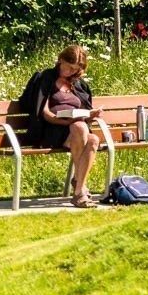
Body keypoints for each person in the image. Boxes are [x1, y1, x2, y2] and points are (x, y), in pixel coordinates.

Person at [18, 44, 102, 206]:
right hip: (51, 130)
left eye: (75, 69)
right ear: (61, 60)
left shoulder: (78, 84)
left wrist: (91, 115)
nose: (71, 72)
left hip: (76, 132)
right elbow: (45, 114)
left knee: (93, 140)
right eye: (69, 67)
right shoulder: (46, 78)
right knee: (79, 127)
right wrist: (68, 121)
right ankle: (80, 189)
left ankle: (78, 186)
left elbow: (85, 112)